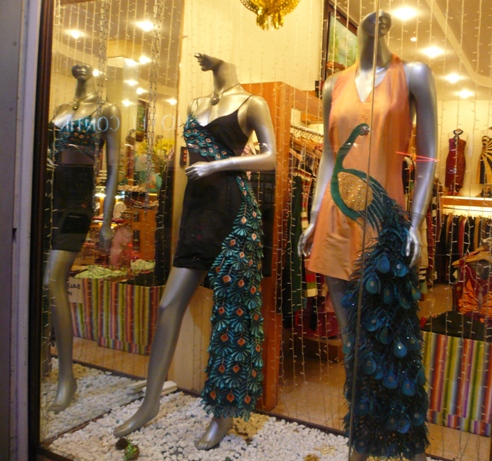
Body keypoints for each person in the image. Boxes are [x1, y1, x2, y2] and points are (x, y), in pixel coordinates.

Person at [114, 53, 276, 450]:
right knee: (169, 305)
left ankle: (223, 416)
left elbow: (271, 158)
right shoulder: (194, 105)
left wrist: (217, 166)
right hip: (197, 213)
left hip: (234, 212)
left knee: (231, 316)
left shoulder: (252, 103)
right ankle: (151, 401)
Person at [298, 10, 437, 461]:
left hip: (385, 224)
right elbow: (328, 156)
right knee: (352, 341)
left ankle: (404, 439)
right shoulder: (332, 86)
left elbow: (428, 156)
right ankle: (360, 441)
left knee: (392, 336)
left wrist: (415, 223)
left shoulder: (413, 75)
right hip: (335, 222)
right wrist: (313, 217)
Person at [44, 63, 120, 413]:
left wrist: (106, 222)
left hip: (77, 199)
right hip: (46, 196)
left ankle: (66, 377)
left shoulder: (107, 110)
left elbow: (114, 167)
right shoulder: (59, 109)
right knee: (40, 284)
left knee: (52, 280)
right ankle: (43, 361)